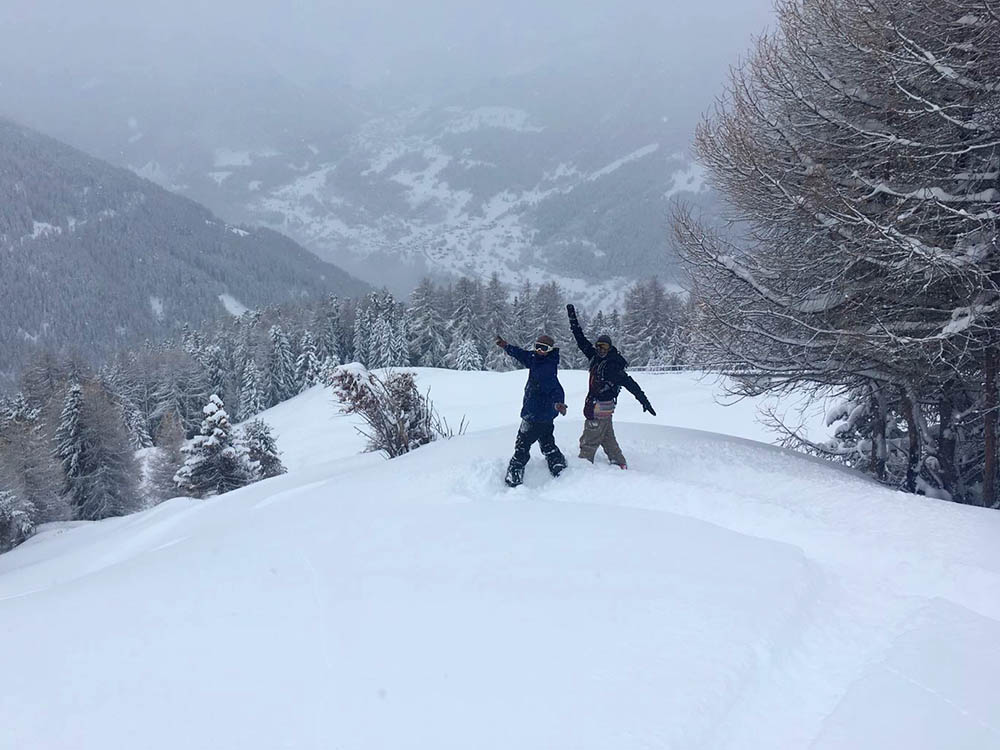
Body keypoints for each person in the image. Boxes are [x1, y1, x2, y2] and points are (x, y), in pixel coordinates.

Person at [566, 304, 656, 469]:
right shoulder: (594, 357)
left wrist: (644, 401)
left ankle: (582, 468)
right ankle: (619, 462)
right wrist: (573, 319)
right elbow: (580, 339)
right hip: (604, 407)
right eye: (598, 346)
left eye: (604, 347)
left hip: (599, 406)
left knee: (589, 439)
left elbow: (630, 384)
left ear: (610, 348)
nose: (600, 349)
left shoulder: (612, 365)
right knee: (607, 436)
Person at [494, 333, 569, 487]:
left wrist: (559, 402)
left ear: (550, 350)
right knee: (546, 438)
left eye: (544, 348)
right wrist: (506, 346)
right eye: (537, 347)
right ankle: (556, 461)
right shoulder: (536, 358)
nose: (540, 350)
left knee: (522, 443)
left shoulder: (547, 367)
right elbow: (521, 354)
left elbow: (556, 388)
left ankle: (516, 469)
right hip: (546, 415)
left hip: (534, 414)